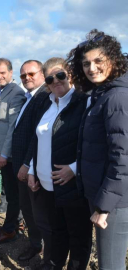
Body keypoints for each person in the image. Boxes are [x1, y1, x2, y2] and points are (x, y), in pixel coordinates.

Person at [68, 29, 128, 270]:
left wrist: (104, 206)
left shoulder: (117, 98)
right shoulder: (101, 95)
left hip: (115, 202)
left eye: (98, 61)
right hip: (106, 196)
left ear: (113, 60)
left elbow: (123, 158)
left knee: (110, 265)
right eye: (86, 63)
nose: (91, 68)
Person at [27, 57, 92, 270]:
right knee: (56, 233)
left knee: (78, 237)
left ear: (70, 75)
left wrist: (74, 169)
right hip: (47, 186)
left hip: (72, 186)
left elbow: (95, 145)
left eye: (60, 75)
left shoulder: (83, 102)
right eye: (50, 78)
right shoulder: (47, 105)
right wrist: (31, 169)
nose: (56, 81)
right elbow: (38, 140)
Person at [12, 60, 47, 261]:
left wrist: (27, 164)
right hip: (22, 165)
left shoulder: (43, 97)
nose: (27, 78)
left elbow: (37, 136)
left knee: (36, 212)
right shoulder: (29, 97)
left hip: (31, 166)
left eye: (31, 74)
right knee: (28, 209)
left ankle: (42, 249)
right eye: (23, 75)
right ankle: (36, 245)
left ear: (41, 74)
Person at [0, 58, 26, 243]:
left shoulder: (16, 93)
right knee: (11, 192)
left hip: (8, 155)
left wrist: (4, 154)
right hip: (1, 152)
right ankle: (17, 222)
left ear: (11, 73)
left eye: (3, 72)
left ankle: (10, 229)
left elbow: (13, 127)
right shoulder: (3, 92)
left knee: (12, 194)